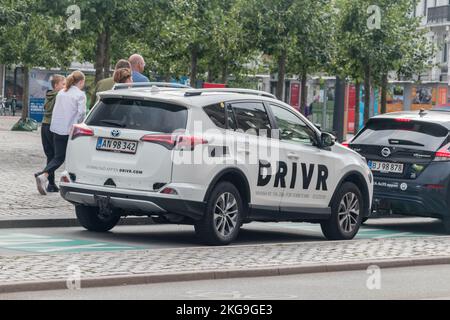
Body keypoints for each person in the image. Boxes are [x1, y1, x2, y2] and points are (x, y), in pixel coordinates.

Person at [34, 71, 87, 195]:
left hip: (56, 129)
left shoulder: (61, 93)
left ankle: (45, 176)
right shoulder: (80, 95)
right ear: (81, 81)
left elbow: (57, 111)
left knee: (56, 156)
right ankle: (44, 175)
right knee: (62, 157)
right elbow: (81, 114)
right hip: (70, 130)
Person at [40, 74, 66, 193]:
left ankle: (51, 184)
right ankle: (43, 176)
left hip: (44, 125)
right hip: (52, 127)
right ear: (56, 85)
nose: (65, 86)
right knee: (57, 156)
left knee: (50, 155)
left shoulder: (48, 94)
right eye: (63, 84)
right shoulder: (60, 95)